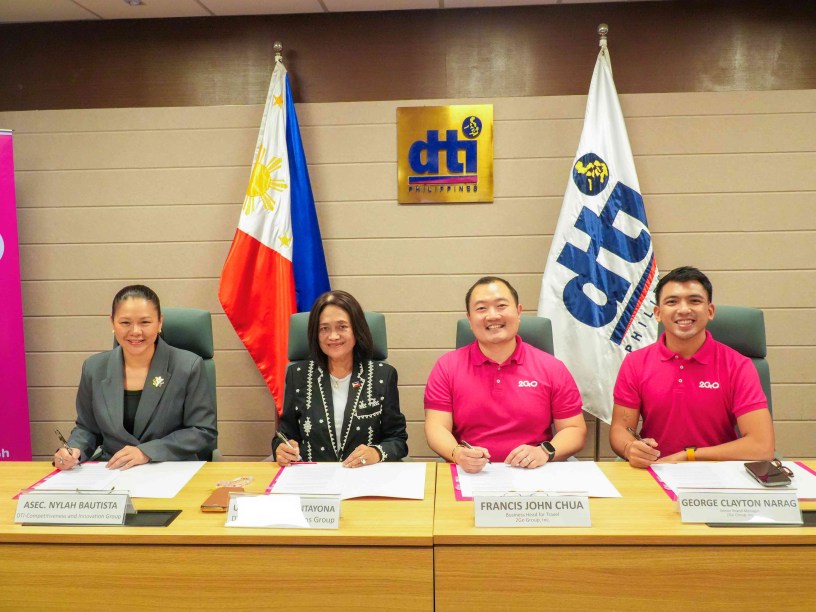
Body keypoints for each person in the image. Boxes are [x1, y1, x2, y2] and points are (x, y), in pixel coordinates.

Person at [610, 266, 775, 468]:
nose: (684, 309)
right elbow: (621, 429)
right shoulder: (635, 363)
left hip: (721, 473)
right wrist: (630, 448)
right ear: (658, 313)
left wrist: (689, 456)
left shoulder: (738, 366)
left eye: (694, 301)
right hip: (656, 470)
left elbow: (761, 446)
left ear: (710, 311)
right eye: (672, 302)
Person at [424, 276, 587, 474]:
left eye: (501, 306)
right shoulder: (447, 367)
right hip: (470, 472)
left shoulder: (552, 367)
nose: (492, 316)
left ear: (519, 312)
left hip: (536, 472)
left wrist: (543, 452)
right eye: (481, 308)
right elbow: (436, 428)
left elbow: (574, 430)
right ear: (469, 318)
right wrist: (457, 453)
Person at [53, 285, 217, 471]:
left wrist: (147, 452)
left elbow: (202, 431)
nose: (135, 331)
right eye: (125, 323)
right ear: (112, 323)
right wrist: (74, 450)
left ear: (160, 323)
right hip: (114, 471)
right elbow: (87, 428)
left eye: (145, 322)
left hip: (171, 469)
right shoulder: (94, 368)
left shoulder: (188, 366)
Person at [272, 290, 408, 466]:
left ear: (356, 330)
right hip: (312, 478)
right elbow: (284, 435)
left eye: (342, 327)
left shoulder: (382, 375)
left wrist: (376, 453)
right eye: (324, 329)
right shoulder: (298, 375)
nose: (333, 336)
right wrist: (282, 449)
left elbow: (397, 440)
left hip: (363, 477)